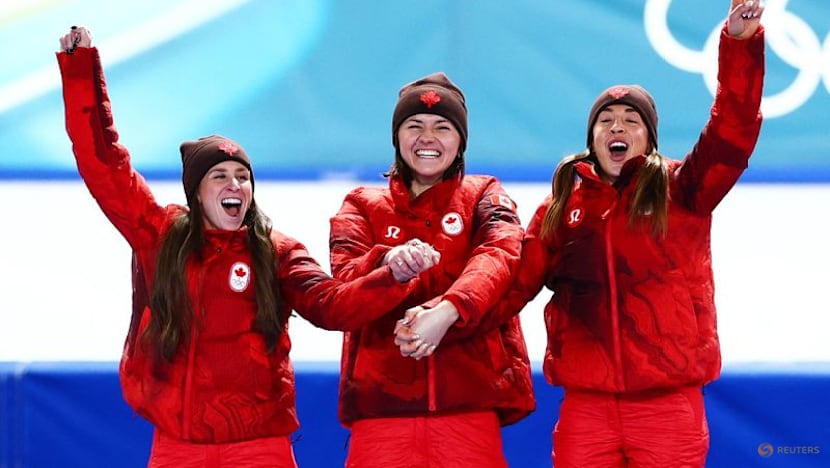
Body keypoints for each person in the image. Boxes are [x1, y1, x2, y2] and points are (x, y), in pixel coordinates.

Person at [398, 1, 765, 466]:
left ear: (649, 140)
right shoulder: (559, 210)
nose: (617, 126)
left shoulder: (684, 191)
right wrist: (441, 315)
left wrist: (740, 45)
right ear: (591, 139)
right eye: (605, 121)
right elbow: (509, 287)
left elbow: (734, 128)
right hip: (586, 407)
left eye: (631, 121)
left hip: (667, 405)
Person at [56, 27, 439, 468]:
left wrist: (392, 273)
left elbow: (334, 306)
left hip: (260, 446)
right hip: (178, 446)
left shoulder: (275, 252)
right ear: (196, 193)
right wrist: (82, 73)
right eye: (219, 177)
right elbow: (103, 164)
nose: (235, 184)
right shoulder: (159, 236)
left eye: (243, 177)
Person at [327, 72, 535, 467]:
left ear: (460, 142)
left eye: (443, 127)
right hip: (381, 413)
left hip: (468, 409)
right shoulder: (360, 205)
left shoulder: (485, 194)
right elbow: (344, 285)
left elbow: (501, 254)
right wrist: (388, 264)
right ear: (397, 137)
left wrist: (447, 311)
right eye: (414, 126)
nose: (428, 137)